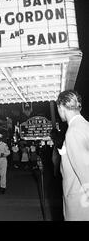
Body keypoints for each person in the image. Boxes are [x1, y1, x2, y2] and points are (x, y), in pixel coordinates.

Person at [56, 90, 89, 221]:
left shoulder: (73, 131)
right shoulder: (85, 125)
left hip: (80, 202)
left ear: (61, 107)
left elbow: (85, 172)